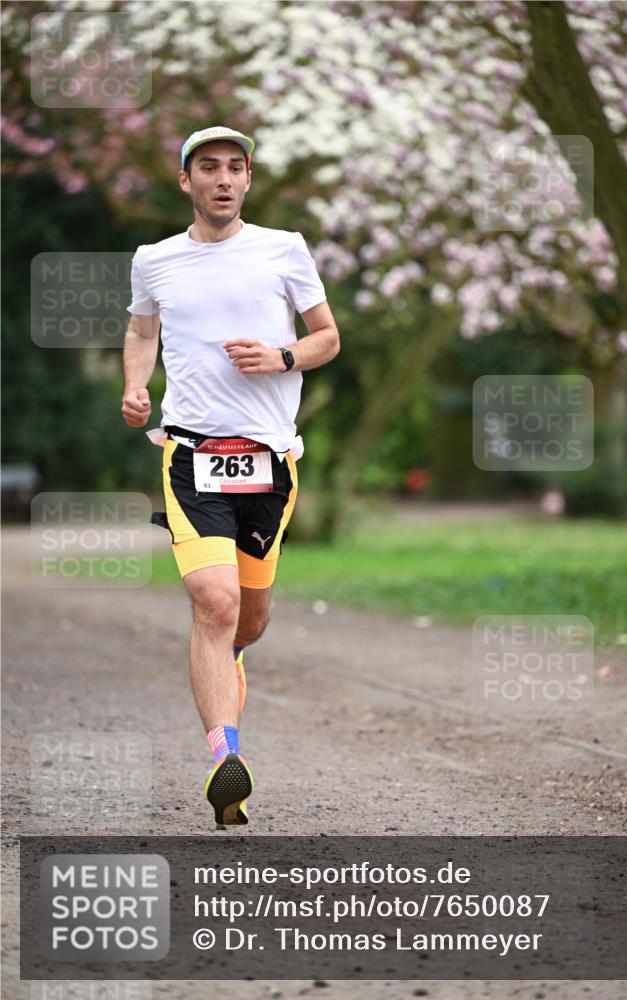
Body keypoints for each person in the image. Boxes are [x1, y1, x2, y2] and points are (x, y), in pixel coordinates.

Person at [122, 125, 339, 827]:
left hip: (269, 458)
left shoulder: (283, 249)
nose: (222, 178)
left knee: (248, 618)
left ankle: (232, 664)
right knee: (212, 603)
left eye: (234, 168)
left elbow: (326, 337)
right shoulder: (155, 260)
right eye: (207, 168)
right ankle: (224, 757)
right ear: (185, 181)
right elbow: (142, 331)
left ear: (248, 180)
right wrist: (135, 386)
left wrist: (281, 357)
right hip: (190, 455)